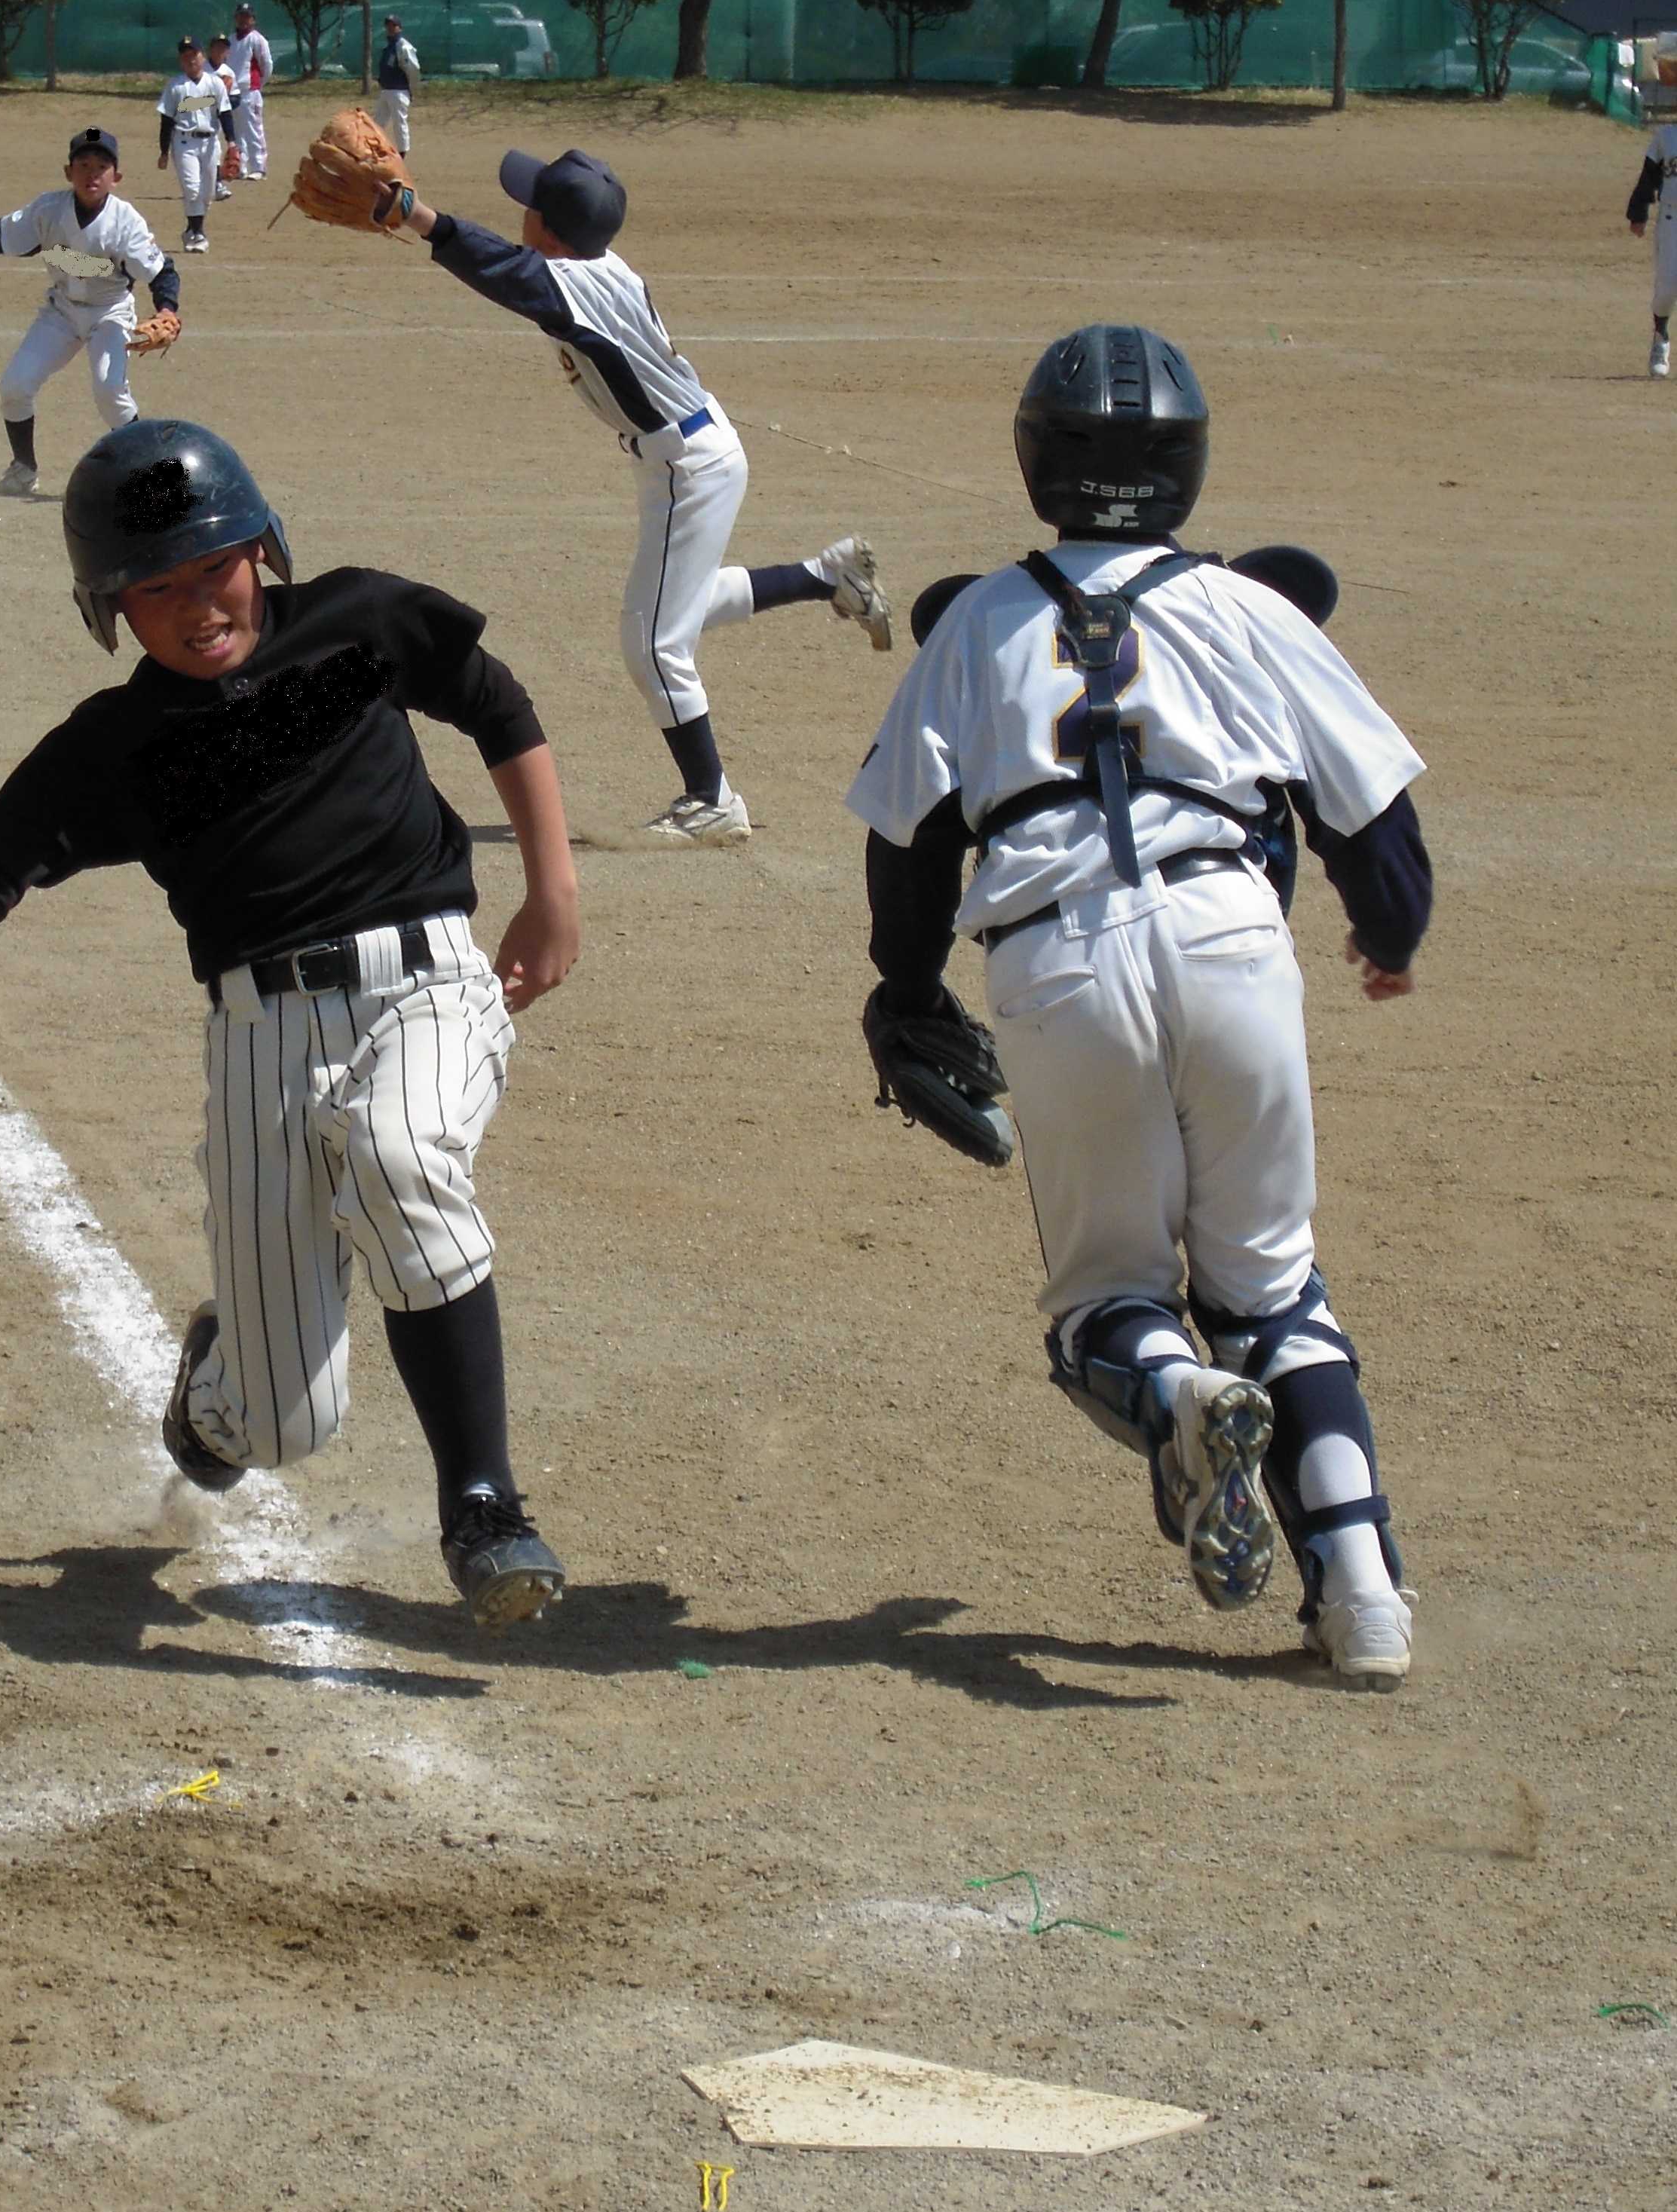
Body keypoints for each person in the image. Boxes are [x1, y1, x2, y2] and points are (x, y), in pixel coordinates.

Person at [0, 419, 578, 1628]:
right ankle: (215, 1387)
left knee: (401, 1153)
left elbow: (499, 706)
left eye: (212, 565)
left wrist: (552, 890)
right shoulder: (116, 747)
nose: (194, 604)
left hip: (428, 979)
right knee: (281, 1424)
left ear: (262, 546)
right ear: (108, 605)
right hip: (260, 1038)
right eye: (151, 587)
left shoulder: (360, 621)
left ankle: (483, 1504)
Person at [849, 323, 1431, 1687]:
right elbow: (1372, 812)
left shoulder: (982, 618)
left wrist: (907, 984)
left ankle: (1177, 1397)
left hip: (1056, 958)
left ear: (1035, 459)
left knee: (1110, 1296)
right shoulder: (1247, 609)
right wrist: (1389, 930)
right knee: (1275, 1286)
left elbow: (910, 841)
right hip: (1232, 931)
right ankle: (1362, 1600)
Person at [388, 145, 892, 841]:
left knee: (652, 641)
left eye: (530, 205)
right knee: (677, 609)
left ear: (555, 234)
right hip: (688, 458)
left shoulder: (576, 287)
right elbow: (515, 266)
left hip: (690, 466)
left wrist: (417, 216)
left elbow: (501, 271)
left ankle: (712, 797)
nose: (521, 211)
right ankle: (826, 576)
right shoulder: (592, 267)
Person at [0, 124, 180, 495]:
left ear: (116, 177)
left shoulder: (126, 222)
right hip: (62, 312)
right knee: (15, 386)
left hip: (110, 313)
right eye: (83, 165)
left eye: (101, 167)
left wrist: (167, 310)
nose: (91, 174)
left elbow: (161, 270)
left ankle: (152, 476)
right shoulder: (48, 210)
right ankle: (23, 469)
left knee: (110, 393)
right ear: (68, 172)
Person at [1626, 34, 1677, 378]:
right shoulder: (1666, 137)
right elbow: (1649, 176)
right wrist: (1639, 211)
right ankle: (1661, 334)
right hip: (1673, 222)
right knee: (1667, 289)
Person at [155, 34, 230, 249]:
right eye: (186, 56)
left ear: (203, 56)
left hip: (210, 143)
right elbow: (166, 120)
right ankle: (198, 234)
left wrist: (232, 143)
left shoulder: (215, 83)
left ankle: (191, 229)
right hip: (184, 142)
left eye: (194, 54)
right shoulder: (175, 86)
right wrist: (163, 152)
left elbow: (224, 113)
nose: (191, 60)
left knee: (207, 193)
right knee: (192, 188)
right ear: (181, 61)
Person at [227, 2, 272, 182]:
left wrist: (258, 84)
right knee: (236, 131)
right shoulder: (230, 40)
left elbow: (266, 64)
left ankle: (259, 167)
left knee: (253, 130)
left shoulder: (257, 39)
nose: (243, 20)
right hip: (232, 93)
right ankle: (240, 166)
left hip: (249, 92)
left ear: (253, 20)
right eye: (240, 16)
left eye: (247, 17)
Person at [376, 13, 419, 156]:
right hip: (386, 91)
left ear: (399, 28)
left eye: (393, 25)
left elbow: (413, 70)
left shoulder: (403, 46)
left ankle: (402, 154)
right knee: (377, 123)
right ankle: (375, 149)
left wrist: (412, 90)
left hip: (399, 91)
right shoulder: (389, 46)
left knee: (399, 123)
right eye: (388, 25)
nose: (390, 28)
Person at [205, 32, 239, 195]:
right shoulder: (201, 70)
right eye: (217, 47)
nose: (220, 51)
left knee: (215, 152)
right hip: (196, 118)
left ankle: (216, 184)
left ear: (228, 52)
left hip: (217, 120)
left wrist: (225, 102)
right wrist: (214, 101)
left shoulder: (229, 72)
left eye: (224, 48)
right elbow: (186, 104)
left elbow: (236, 98)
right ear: (210, 50)